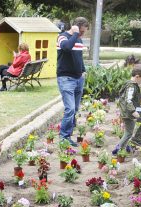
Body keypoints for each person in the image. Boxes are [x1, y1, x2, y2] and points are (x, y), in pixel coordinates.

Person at [56, 16, 89, 147]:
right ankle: (64, 137)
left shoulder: (78, 39)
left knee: (74, 109)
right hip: (66, 79)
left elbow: (78, 57)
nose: (82, 34)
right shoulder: (62, 37)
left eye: (83, 32)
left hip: (78, 78)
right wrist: (75, 33)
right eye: (81, 31)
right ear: (75, 27)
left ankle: (68, 134)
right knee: (69, 109)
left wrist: (83, 70)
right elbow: (67, 48)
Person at [113, 64, 141, 152]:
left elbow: (132, 101)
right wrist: (133, 111)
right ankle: (117, 150)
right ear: (137, 76)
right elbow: (128, 100)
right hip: (129, 114)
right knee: (128, 133)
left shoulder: (133, 84)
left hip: (133, 111)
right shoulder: (131, 87)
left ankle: (136, 139)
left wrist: (140, 108)